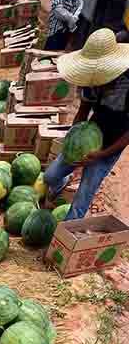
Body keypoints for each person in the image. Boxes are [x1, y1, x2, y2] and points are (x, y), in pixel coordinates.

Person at [44, 28, 129, 220]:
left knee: (81, 199)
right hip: (89, 137)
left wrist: (101, 155)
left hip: (109, 147)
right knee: (50, 176)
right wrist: (72, 138)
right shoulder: (92, 81)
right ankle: (62, 185)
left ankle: (65, 243)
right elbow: (82, 112)